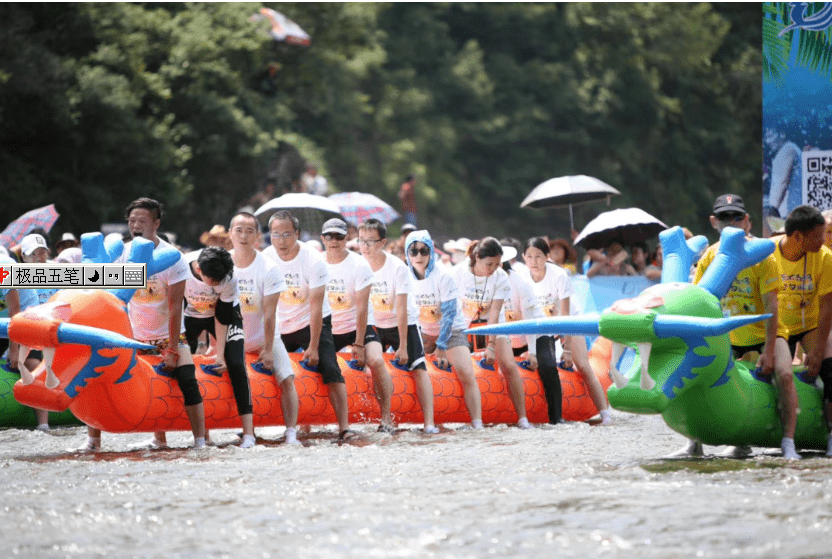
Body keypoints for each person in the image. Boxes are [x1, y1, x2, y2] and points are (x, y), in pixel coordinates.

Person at [672, 194, 799, 460]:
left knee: (785, 375)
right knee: (694, 376)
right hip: (726, 335)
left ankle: (788, 442)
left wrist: (768, 350)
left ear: (747, 221)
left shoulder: (762, 253)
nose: (731, 222)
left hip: (764, 333)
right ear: (713, 222)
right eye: (724, 217)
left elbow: (771, 305)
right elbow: (701, 301)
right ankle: (694, 443)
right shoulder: (709, 256)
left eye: (736, 217)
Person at [79, 198, 206, 452]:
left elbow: (174, 306)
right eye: (132, 221)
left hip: (168, 335)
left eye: (142, 221)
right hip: (132, 335)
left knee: (187, 380)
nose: (136, 225)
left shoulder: (172, 258)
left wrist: (170, 349)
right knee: (97, 375)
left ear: (156, 224)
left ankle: (200, 441)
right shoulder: (121, 254)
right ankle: (94, 440)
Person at [263, 210, 357, 442]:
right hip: (280, 322)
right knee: (259, 365)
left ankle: (344, 428)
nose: (281, 241)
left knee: (331, 369)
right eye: (276, 234)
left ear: (297, 234)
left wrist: (314, 347)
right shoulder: (265, 258)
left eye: (286, 234)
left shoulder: (312, 259)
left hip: (311, 322)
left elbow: (316, 307)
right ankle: (251, 428)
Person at [359, 219, 438, 433]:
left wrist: (402, 346)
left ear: (383, 242)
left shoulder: (397, 267)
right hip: (374, 324)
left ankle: (429, 422)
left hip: (402, 322)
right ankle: (386, 418)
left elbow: (402, 308)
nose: (365, 247)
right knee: (375, 364)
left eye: (370, 241)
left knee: (418, 368)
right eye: (361, 241)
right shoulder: (358, 265)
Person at [523, 237, 612, 425]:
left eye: (538, 256)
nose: (534, 261)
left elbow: (565, 317)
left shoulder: (558, 275)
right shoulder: (524, 278)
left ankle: (605, 413)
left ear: (547, 257)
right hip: (544, 323)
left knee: (582, 364)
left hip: (570, 321)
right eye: (529, 256)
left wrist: (568, 349)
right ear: (524, 257)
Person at [229, 212, 299, 445]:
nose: (243, 236)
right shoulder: (222, 262)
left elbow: (270, 314)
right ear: (230, 234)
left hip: (262, 337)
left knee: (287, 377)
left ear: (258, 237)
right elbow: (211, 308)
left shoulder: (268, 268)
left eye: (250, 231)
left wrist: (268, 349)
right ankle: (234, 434)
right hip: (233, 336)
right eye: (238, 230)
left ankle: (291, 432)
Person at [321, 218, 394, 432]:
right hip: (330, 326)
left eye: (339, 236)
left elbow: (362, 309)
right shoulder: (316, 263)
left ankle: (386, 418)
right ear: (322, 238)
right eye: (329, 236)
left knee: (376, 360)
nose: (334, 241)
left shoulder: (359, 264)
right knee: (315, 364)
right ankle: (306, 425)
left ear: (347, 238)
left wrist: (359, 344)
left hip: (358, 325)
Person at [405, 229, 483, 429]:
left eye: (424, 251)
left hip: (451, 331)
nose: (419, 256)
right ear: (407, 254)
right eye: (413, 252)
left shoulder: (443, 276)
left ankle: (477, 422)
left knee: (466, 372)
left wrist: (441, 346)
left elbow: (448, 315)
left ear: (431, 252)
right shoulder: (405, 276)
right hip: (423, 331)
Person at [771, 205, 832, 456]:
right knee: (784, 374)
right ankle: (788, 442)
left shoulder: (825, 257)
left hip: (810, 325)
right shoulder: (768, 254)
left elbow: (828, 306)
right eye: (819, 236)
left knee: (831, 366)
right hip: (779, 326)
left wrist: (818, 351)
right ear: (798, 236)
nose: (823, 241)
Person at [183, 246, 256, 448]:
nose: (216, 285)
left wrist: (220, 354)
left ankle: (249, 434)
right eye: (212, 281)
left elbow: (222, 317)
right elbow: (174, 308)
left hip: (225, 315)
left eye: (219, 281)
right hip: (190, 316)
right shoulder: (181, 269)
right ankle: (200, 434)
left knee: (235, 363)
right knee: (183, 365)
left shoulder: (229, 277)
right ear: (199, 270)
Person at [454, 237, 531, 428]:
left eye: (497, 264)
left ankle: (522, 418)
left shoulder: (501, 277)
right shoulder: (458, 273)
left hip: (493, 323)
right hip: (463, 322)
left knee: (508, 364)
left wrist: (491, 346)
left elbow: (495, 313)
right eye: (489, 264)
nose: (493, 269)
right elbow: (452, 308)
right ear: (477, 258)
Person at [500, 244, 562, 424]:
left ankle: (556, 418)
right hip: (510, 337)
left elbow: (529, 320)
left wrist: (533, 353)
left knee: (548, 368)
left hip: (537, 333)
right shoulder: (489, 282)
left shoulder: (520, 283)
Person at [1, 253, 46, 431]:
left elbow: (15, 311)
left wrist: (14, 352)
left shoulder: (5, 268)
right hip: (3, 321)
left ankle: (43, 424)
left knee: (30, 362)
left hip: (27, 318)